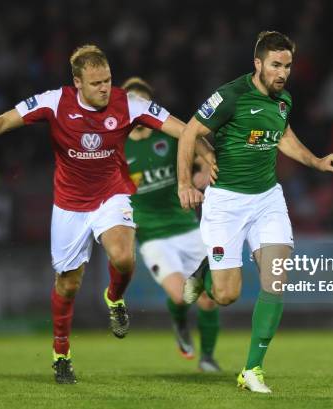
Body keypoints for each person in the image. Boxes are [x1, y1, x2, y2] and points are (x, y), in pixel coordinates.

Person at [0, 44, 215, 384]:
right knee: (68, 285)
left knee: (123, 258)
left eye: (108, 80)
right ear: (77, 82)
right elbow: (3, 121)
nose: (105, 88)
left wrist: (205, 151)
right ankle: (61, 354)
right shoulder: (54, 102)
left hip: (112, 195)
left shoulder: (128, 104)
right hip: (70, 205)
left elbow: (181, 127)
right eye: (97, 82)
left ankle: (114, 299)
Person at [177, 31, 333, 393]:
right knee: (225, 295)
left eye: (287, 65)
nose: (282, 72)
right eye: (275, 65)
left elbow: (283, 136)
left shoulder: (283, 100)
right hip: (225, 204)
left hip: (267, 200)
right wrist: (184, 184)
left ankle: (252, 370)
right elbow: (190, 133)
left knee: (277, 279)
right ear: (258, 64)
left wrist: (316, 161)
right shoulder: (231, 96)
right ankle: (207, 271)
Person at [122, 77, 221, 372]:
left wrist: (204, 170)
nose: (136, 109)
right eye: (130, 103)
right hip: (152, 235)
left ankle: (207, 358)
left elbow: (202, 153)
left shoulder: (169, 136)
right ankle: (179, 322)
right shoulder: (117, 146)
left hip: (187, 226)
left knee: (208, 299)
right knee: (181, 295)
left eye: (142, 103)